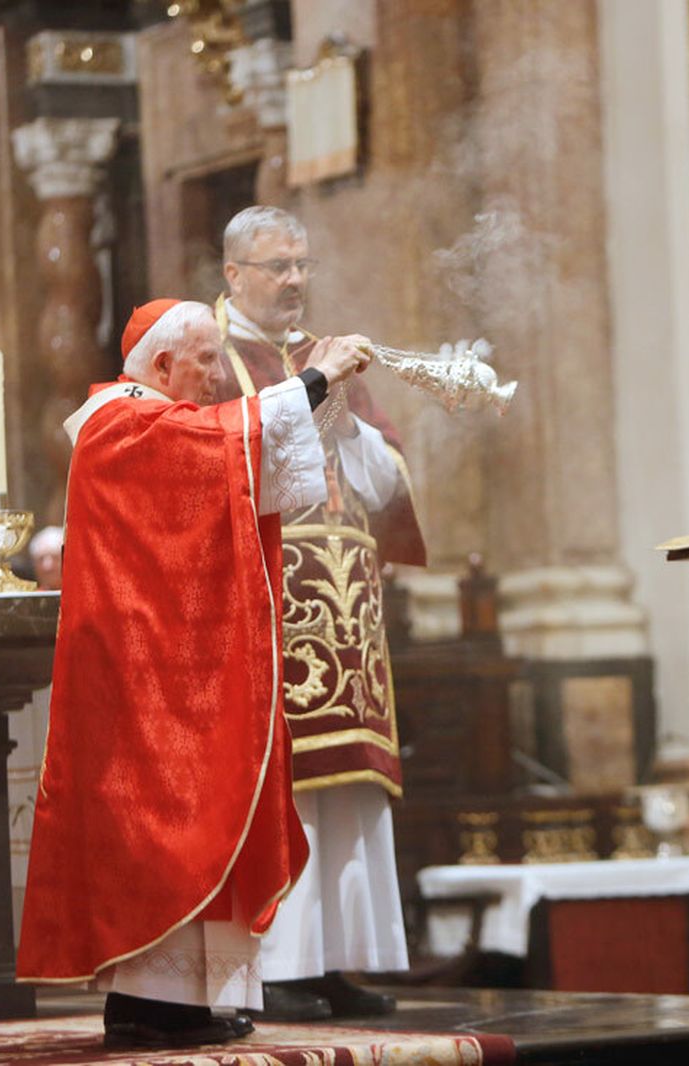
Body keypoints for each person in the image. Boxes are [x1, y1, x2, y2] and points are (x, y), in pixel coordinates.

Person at [17, 298, 370, 1047]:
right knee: (158, 827)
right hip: (136, 682)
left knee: (202, 812)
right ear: (163, 363)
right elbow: (214, 446)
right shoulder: (119, 422)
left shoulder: (154, 422)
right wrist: (309, 380)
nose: (216, 376)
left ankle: (187, 1000)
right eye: (206, 361)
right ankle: (149, 1006)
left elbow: (232, 467)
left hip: (175, 667)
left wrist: (313, 391)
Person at [215, 206, 426, 1021]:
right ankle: (283, 964)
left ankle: (342, 958)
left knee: (351, 786)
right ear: (235, 274)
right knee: (289, 784)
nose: (296, 280)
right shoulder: (212, 351)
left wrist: (341, 410)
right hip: (267, 602)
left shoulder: (325, 359)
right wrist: (307, 398)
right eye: (277, 266)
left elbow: (380, 483)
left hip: (344, 605)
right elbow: (218, 459)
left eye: (302, 264)